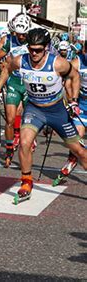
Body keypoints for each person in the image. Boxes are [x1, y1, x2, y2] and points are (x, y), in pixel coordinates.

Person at [0, 28, 87, 204]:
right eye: (31, 49)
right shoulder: (20, 61)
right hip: (35, 109)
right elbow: (6, 70)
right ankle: (26, 182)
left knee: (79, 152)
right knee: (25, 143)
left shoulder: (58, 63)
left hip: (57, 111)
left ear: (46, 47)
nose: (34, 53)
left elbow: (74, 76)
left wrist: (73, 100)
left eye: (38, 50)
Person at [0, 14, 31, 167]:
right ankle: (9, 149)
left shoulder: (34, 40)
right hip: (14, 82)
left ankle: (27, 145)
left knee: (28, 122)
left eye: (23, 34)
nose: (21, 36)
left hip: (29, 83)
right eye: (18, 33)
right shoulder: (10, 41)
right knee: (9, 119)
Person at [52, 40, 87, 185]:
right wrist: (71, 101)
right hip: (83, 104)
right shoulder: (78, 61)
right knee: (76, 137)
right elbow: (67, 81)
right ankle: (72, 160)